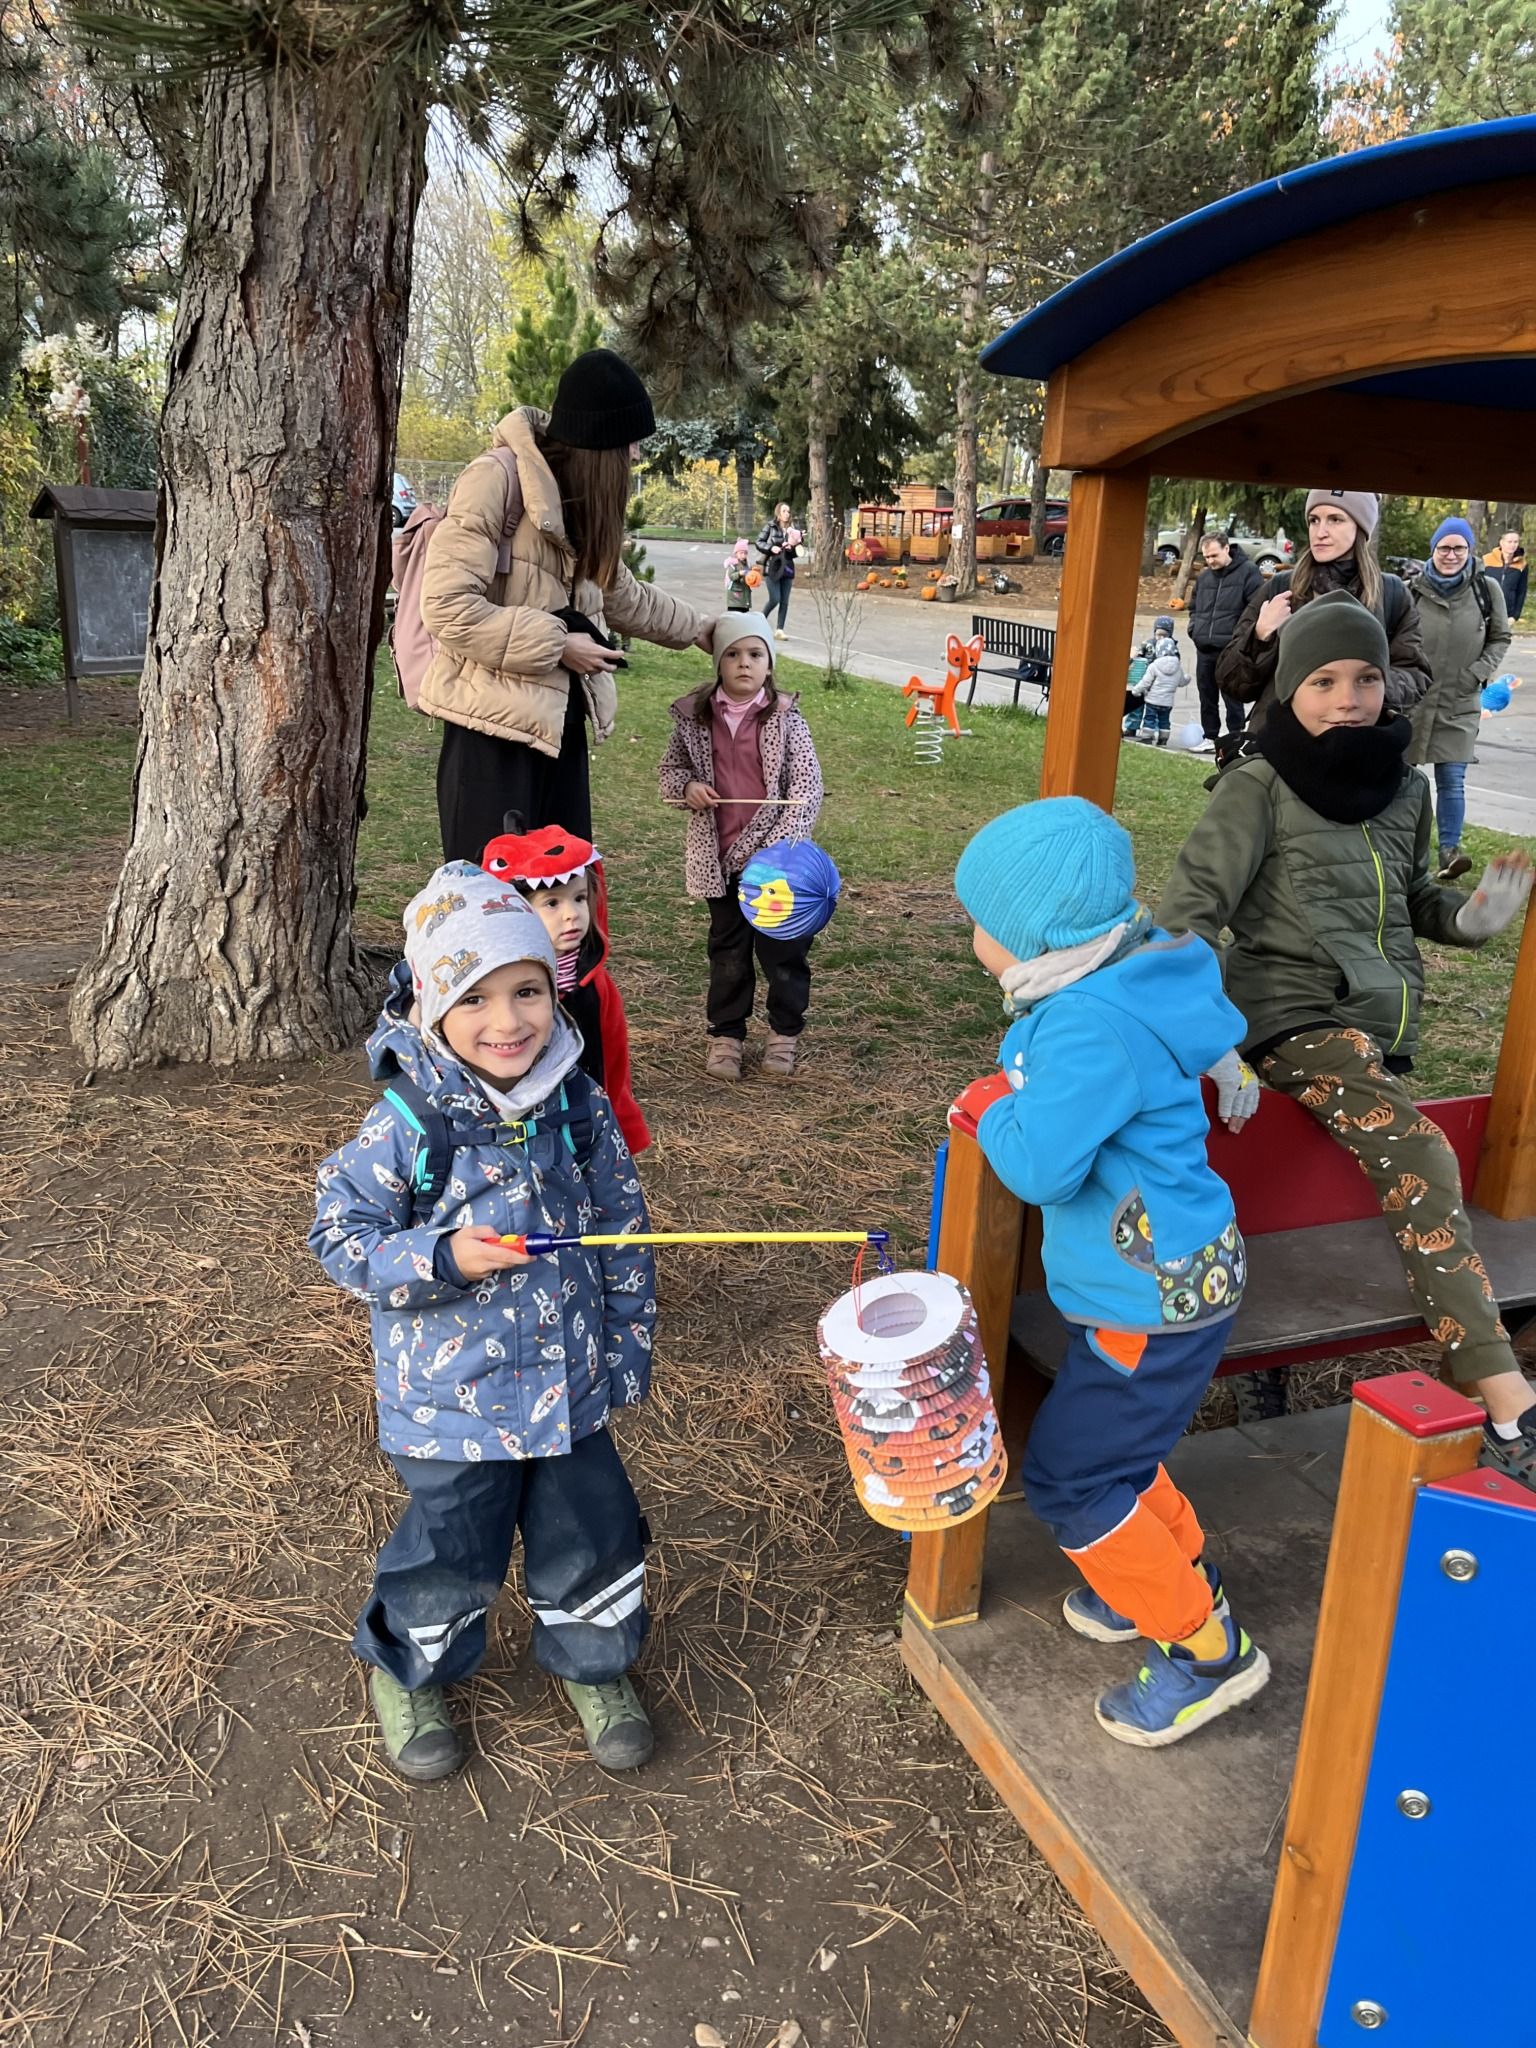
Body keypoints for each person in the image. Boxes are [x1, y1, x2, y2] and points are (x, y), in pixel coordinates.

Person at [1160, 591, 1536, 1487]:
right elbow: (1188, 916)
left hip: (1371, 1020)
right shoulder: (1256, 787)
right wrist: (1202, 1034)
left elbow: (1412, 898)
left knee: (1298, 1183)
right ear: (1290, 688)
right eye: (1323, 681)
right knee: (1420, 1151)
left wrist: (1472, 916)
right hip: (1286, 1011)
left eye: (1366, 679)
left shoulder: (1402, 788)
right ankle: (1503, 1397)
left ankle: (1264, 1368)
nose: (1348, 700)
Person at [310, 863, 659, 1782]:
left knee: (590, 1534)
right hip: (451, 1405)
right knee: (451, 1547)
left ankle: (596, 1663)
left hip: (572, 1388)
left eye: (527, 991)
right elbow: (340, 1236)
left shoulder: (578, 1104)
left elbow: (622, 1230)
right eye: (475, 997)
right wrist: (440, 1258)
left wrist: (626, 1346)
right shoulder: (409, 1121)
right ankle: (411, 1671)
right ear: (433, 1004)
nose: (508, 1021)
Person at [949, 797, 1268, 1748]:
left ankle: (1205, 1650)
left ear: (1035, 937)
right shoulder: (1142, 965)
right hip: (1182, 1271)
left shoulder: (1085, 1025)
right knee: (1116, 1457)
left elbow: (1041, 1166)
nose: (972, 937)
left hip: (1148, 1296)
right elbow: (1202, 1024)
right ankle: (1167, 1579)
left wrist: (990, 1108)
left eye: (981, 922)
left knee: (1072, 1478)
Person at [419, 348, 713, 857]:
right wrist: (559, 646)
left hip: (560, 727)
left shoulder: (579, 496)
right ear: (598, 443)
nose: (636, 456)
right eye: (629, 443)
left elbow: (618, 592)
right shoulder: (496, 480)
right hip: (490, 736)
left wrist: (700, 629)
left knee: (565, 891)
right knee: (494, 897)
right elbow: (447, 607)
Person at [658, 615, 823, 1082]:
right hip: (721, 860)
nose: (743, 663)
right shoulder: (695, 718)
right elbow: (671, 772)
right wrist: (688, 787)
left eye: (754, 654)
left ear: (769, 663)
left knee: (782, 951)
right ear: (717, 662)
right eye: (732, 654)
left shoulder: (786, 719)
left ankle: (784, 1033)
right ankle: (726, 1035)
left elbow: (806, 788)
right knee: (728, 952)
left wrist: (775, 853)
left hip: (775, 867)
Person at [480, 819, 650, 1155]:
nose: (572, 914)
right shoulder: (491, 990)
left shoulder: (596, 988)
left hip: (583, 1128)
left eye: (579, 898)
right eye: (552, 903)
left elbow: (613, 1064)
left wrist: (622, 1127)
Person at [1217, 489, 1429, 736]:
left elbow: (1415, 675)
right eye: (1314, 520)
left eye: (1335, 520)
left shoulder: (1391, 594)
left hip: (1358, 743)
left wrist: (1365, 684)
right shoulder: (1281, 589)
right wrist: (1259, 637)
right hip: (1279, 743)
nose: (1320, 532)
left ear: (1361, 527)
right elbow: (1232, 682)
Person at [1407, 517, 1511, 881]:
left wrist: (1477, 673)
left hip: (1460, 700)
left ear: (1469, 550)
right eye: (1444, 548)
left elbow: (1500, 638)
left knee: (1452, 779)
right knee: (1403, 779)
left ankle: (1449, 852)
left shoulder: (1486, 589)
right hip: (1415, 701)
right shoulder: (1412, 590)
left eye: (1459, 548)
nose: (1451, 555)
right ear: (1433, 550)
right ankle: (1402, 849)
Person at [1187, 532, 1264, 756]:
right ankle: (1210, 736)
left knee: (1233, 696)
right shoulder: (1204, 578)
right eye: (1206, 557)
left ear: (1226, 549)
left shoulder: (1248, 572)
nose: (1210, 561)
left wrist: (1241, 639)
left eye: (1214, 555)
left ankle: (1236, 737)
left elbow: (1256, 607)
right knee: (1206, 695)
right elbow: (1194, 607)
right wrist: (1194, 629)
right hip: (1204, 647)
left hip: (1231, 649)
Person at [1125, 617, 1185, 747]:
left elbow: (1175, 665)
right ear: (1154, 632)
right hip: (1145, 678)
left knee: (1153, 712)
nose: (1160, 638)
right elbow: (1140, 656)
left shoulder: (1172, 647)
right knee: (1138, 708)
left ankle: (1151, 732)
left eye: (1164, 635)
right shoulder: (1148, 644)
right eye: (1158, 634)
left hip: (1157, 684)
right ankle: (1132, 727)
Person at [756, 502, 799, 638]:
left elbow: (797, 551)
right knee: (775, 598)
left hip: (787, 567)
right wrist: (771, 548)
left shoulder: (793, 530)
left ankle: (780, 630)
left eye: (788, 511)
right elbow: (759, 542)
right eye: (784, 511)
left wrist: (792, 548)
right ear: (778, 513)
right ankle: (759, 621)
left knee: (784, 601)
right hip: (772, 567)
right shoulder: (770, 526)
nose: (787, 514)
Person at [1485, 530, 1528, 625]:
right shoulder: (1486, 560)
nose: (1512, 545)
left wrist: (1515, 616)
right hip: (1485, 612)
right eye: (1509, 542)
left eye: (1515, 542)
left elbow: (1521, 591)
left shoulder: (1522, 564)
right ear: (1501, 542)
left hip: (1507, 614)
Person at [724, 538, 754, 612]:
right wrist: (739, 574)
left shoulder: (747, 564)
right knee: (734, 614)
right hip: (735, 595)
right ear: (736, 553)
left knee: (744, 613)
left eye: (745, 553)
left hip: (745, 595)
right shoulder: (733, 564)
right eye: (741, 553)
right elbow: (731, 576)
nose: (743, 555)